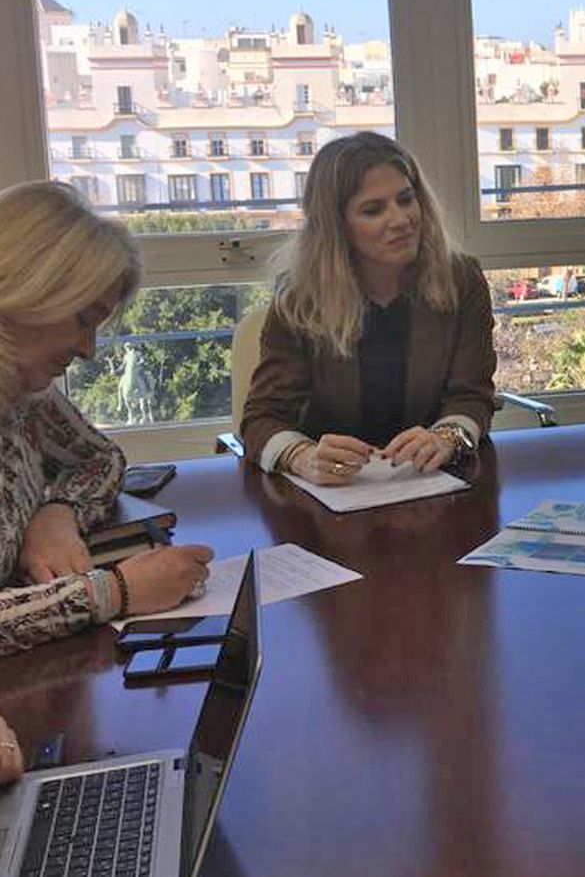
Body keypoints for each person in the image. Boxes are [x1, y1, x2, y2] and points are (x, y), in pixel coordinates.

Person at [0, 181, 213, 656]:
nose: (88, 350)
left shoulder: (25, 392)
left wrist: (57, 514)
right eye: (82, 319)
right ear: (25, 292)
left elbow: (101, 458)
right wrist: (114, 592)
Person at [241, 133, 496, 482]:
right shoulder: (300, 298)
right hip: (333, 496)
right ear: (336, 227)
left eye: (406, 199)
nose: (401, 219)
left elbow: (473, 396)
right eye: (373, 209)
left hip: (431, 485)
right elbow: (262, 418)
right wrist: (302, 456)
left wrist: (446, 437)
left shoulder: (461, 281)